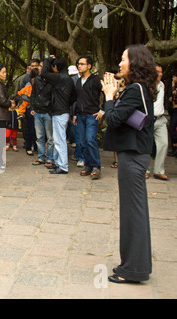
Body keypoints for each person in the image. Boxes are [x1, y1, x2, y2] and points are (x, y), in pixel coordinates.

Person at [102, 44, 157, 284]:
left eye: (124, 59)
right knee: (135, 210)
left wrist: (108, 97)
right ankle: (136, 265)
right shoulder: (139, 88)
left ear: (134, 63)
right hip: (136, 154)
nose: (120, 63)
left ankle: (133, 269)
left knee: (133, 212)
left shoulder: (135, 89)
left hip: (133, 156)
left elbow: (113, 120)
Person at [41, 55, 76, 174]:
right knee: (57, 139)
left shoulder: (60, 77)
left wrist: (47, 60)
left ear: (56, 67)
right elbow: (74, 96)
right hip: (62, 111)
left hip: (60, 112)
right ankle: (57, 163)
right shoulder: (68, 79)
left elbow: (44, 73)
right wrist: (66, 103)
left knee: (60, 140)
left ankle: (63, 166)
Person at [74, 55, 104, 180]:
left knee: (90, 139)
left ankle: (96, 167)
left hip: (92, 115)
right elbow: (77, 99)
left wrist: (103, 111)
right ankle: (88, 165)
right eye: (78, 64)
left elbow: (108, 92)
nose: (79, 66)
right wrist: (75, 114)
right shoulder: (78, 81)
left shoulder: (96, 80)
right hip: (80, 116)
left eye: (82, 64)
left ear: (89, 66)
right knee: (82, 142)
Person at [147, 63, 168, 180]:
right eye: (157, 71)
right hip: (148, 119)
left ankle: (159, 170)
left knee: (164, 144)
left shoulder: (162, 85)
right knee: (146, 146)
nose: (160, 74)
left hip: (160, 119)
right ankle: (145, 169)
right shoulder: (146, 86)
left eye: (161, 72)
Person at [30, 60, 54, 166]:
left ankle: (50, 158)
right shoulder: (37, 80)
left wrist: (51, 109)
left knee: (50, 138)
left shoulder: (53, 81)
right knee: (39, 137)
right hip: (37, 112)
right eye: (40, 66)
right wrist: (33, 107)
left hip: (48, 112)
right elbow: (33, 94)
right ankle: (41, 157)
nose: (40, 68)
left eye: (42, 66)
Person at [17, 68, 39, 156]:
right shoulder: (28, 85)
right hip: (29, 109)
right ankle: (28, 147)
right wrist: (31, 99)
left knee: (37, 130)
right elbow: (21, 95)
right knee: (31, 129)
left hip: (38, 109)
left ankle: (36, 147)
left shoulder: (42, 84)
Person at [168, 72, 177, 157]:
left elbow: (175, 95)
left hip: (176, 111)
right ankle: (174, 149)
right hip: (173, 110)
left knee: (172, 129)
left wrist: (173, 84)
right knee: (172, 129)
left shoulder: (175, 87)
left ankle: (175, 148)